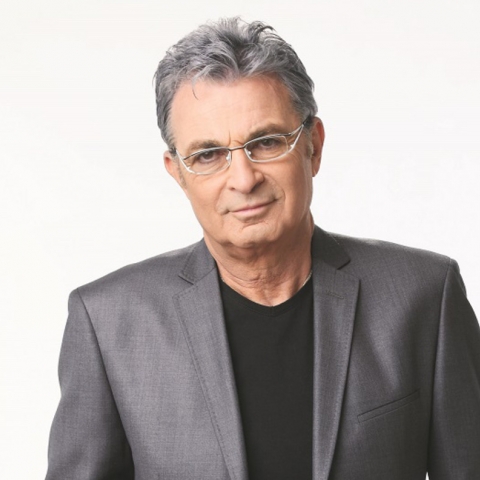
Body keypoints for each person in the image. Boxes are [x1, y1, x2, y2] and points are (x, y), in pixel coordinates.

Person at [46, 17, 480, 480]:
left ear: (313, 146)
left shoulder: (424, 297)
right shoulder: (108, 323)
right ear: (178, 173)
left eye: (267, 142)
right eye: (208, 154)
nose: (243, 178)